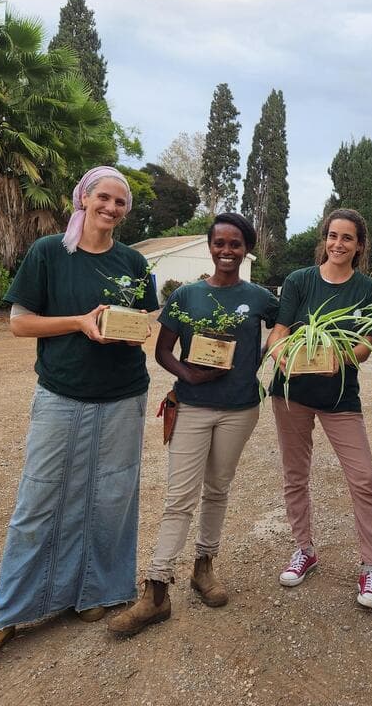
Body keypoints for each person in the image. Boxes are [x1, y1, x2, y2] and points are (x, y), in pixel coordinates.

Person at [0, 166, 158, 674]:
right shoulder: (50, 252)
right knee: (39, 498)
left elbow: (144, 323)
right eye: (104, 198)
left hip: (122, 394)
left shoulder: (133, 262)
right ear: (84, 199)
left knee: (111, 495)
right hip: (61, 392)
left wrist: (128, 328)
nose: (111, 209)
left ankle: (95, 590)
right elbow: (19, 323)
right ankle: (3, 617)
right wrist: (79, 323)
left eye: (120, 203)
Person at [108, 213, 279, 635]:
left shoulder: (259, 297)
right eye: (219, 242)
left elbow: (284, 330)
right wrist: (189, 375)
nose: (226, 250)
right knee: (179, 497)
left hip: (240, 409)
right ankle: (156, 589)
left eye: (235, 244)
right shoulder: (186, 295)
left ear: (246, 249)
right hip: (193, 406)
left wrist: (267, 354)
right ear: (210, 246)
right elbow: (162, 351)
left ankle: (204, 567)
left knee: (218, 489)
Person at [265, 209, 372, 609]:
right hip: (291, 392)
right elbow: (280, 330)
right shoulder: (299, 280)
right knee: (295, 475)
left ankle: (370, 566)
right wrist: (280, 352)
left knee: (364, 478)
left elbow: (367, 344)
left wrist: (344, 358)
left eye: (347, 238)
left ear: (359, 246)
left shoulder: (368, 290)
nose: (338, 244)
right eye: (332, 236)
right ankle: (304, 550)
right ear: (324, 239)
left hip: (339, 397)